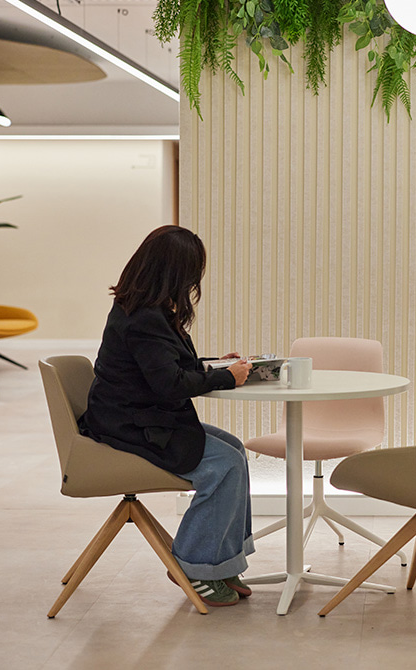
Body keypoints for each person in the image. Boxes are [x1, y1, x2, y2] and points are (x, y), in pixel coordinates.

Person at [78, 225, 255, 607]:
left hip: (136, 416)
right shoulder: (144, 318)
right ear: (175, 272)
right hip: (130, 427)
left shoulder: (144, 310)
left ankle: (219, 562)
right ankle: (194, 565)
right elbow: (169, 384)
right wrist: (225, 378)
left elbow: (161, 367)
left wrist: (212, 366)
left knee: (234, 449)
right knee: (224, 464)